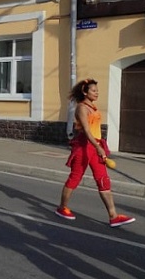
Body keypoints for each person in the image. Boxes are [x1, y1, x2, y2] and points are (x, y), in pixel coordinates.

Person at [55, 78, 135, 228]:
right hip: (84, 146)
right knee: (75, 177)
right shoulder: (81, 108)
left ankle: (113, 216)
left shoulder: (94, 107)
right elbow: (86, 130)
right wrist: (98, 147)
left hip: (95, 145)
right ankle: (62, 208)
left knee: (103, 179)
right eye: (93, 90)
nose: (97, 93)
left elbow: (95, 129)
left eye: (97, 90)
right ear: (85, 92)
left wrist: (100, 146)